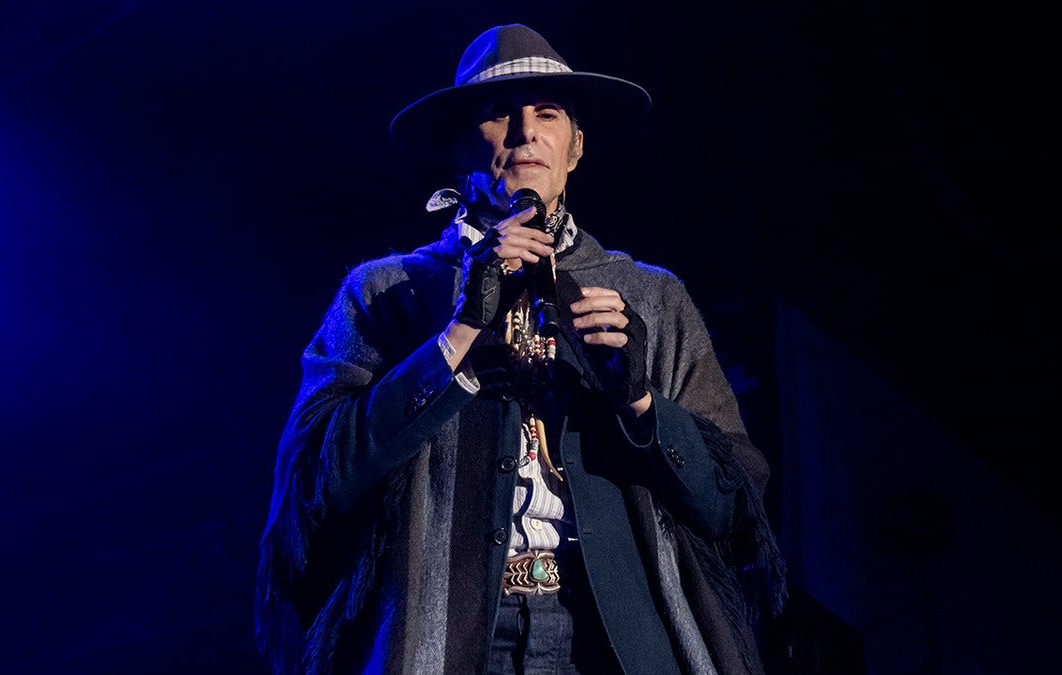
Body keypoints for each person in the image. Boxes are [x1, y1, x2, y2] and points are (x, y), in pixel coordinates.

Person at [255, 23, 786, 675]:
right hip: (440, 641)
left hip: (616, 640)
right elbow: (315, 488)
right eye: (497, 113)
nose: (524, 131)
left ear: (576, 146)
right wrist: (455, 342)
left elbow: (737, 510)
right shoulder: (387, 292)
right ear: (460, 144)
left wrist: (642, 401)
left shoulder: (650, 298)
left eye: (548, 113)